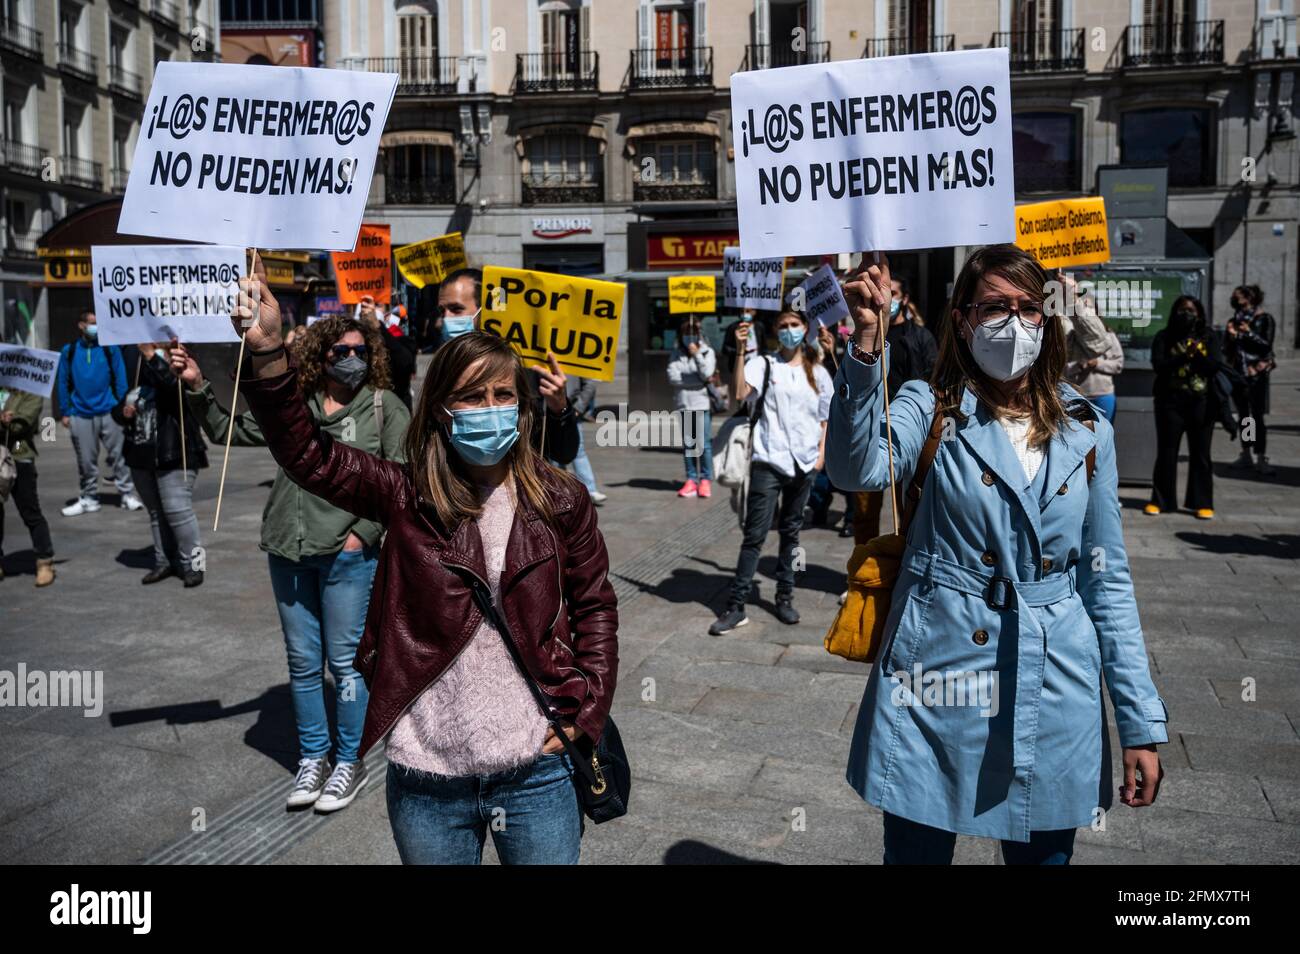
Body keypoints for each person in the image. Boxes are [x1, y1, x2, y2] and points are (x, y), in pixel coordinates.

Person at [226, 256, 618, 865]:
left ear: (519, 406)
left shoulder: (559, 497)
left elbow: (596, 607)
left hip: (536, 769)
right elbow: (307, 454)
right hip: (427, 774)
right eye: (471, 396)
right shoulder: (405, 493)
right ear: (440, 408)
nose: (489, 407)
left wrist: (583, 717)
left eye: (501, 395)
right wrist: (271, 354)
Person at [827, 246, 1166, 865]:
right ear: (962, 319)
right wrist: (866, 345)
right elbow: (859, 467)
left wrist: (1140, 722)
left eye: (1028, 308)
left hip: (1055, 680)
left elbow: (1107, 579)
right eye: (994, 307)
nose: (1013, 323)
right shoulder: (928, 404)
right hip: (936, 673)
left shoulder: (1088, 427)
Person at [173, 308, 410, 813]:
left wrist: (362, 535)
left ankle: (350, 760)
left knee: (345, 665)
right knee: (303, 665)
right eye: (340, 351)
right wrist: (195, 385)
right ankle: (313, 758)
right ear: (319, 357)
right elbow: (227, 430)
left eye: (360, 352)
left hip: (347, 555)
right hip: (287, 548)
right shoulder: (296, 405)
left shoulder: (384, 406)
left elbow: (401, 481)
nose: (351, 359)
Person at [709, 309, 832, 635]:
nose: (790, 330)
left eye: (795, 325)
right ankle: (736, 606)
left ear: (805, 329)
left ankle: (784, 596)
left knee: (792, 534)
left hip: (804, 463)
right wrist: (739, 351)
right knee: (755, 535)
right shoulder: (763, 364)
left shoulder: (817, 372)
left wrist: (820, 456)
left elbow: (825, 419)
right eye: (784, 326)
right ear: (776, 331)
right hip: (768, 459)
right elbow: (738, 394)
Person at [436, 266, 580, 465]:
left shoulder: (519, 367)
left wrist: (559, 408)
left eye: (456, 309)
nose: (446, 319)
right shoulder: (442, 366)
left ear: (484, 309)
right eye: (441, 310)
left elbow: (563, 452)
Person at [845, 275, 938, 544]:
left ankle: (902, 562)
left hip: (907, 434)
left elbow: (933, 379)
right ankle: (862, 570)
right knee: (864, 509)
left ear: (904, 299)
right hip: (872, 429)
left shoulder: (920, 337)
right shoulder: (867, 337)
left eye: (893, 294)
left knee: (909, 506)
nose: (887, 300)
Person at [111, 342, 207, 587]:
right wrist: (124, 412)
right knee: (155, 512)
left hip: (174, 450)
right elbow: (120, 404)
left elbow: (174, 390)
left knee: (178, 511)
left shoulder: (181, 358)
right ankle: (164, 561)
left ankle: (194, 565)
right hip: (140, 453)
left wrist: (152, 356)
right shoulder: (136, 365)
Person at [56, 311, 142, 515]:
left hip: (109, 411)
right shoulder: (69, 351)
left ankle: (127, 494)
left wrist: (122, 405)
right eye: (92, 323)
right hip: (81, 413)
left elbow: (120, 378)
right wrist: (65, 412)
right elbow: (62, 382)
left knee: (120, 457)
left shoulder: (109, 348)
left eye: (97, 323)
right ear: (81, 325)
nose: (95, 327)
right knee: (86, 461)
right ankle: (89, 497)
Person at [1146, 296, 1221, 519]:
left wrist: (1196, 354)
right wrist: (1183, 356)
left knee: (1201, 453)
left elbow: (1213, 366)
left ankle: (1202, 502)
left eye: (1191, 310)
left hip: (1202, 403)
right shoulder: (1164, 336)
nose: (1186, 314)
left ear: (1199, 313)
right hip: (1170, 402)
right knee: (1167, 452)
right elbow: (1159, 365)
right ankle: (1161, 500)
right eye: (1182, 310)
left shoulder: (1209, 337)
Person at [0, 384, 55, 586]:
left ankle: (44, 561)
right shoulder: (1, 391)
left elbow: (21, 426)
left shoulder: (31, 394)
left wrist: (8, 422)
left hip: (19, 453)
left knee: (29, 510)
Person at [1225, 284, 1276, 476]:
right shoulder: (1234, 320)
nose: (1234, 299)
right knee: (1245, 417)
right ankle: (1246, 453)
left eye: (1237, 296)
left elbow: (1265, 345)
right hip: (1239, 374)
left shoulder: (1264, 319)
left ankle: (1261, 455)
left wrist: (1247, 333)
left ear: (1249, 298)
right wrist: (1230, 337)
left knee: (1257, 417)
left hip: (1256, 374)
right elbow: (1228, 350)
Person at [666, 316, 717, 499]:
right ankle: (691, 479)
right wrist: (695, 379)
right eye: (687, 333)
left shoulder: (707, 352)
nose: (690, 336)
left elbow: (707, 374)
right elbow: (672, 377)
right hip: (683, 403)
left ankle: (705, 479)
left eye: (693, 333)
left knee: (703, 444)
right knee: (689, 445)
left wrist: (696, 355)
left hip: (701, 403)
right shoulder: (676, 353)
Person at [549, 374, 605, 504]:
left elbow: (590, 384)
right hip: (547, 413)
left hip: (571, 411)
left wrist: (577, 408)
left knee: (578, 450)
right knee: (553, 455)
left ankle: (589, 489)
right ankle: (559, 491)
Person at [1065, 322, 1124, 423]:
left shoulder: (1109, 336)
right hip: (1077, 396)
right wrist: (1078, 365)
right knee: (1079, 436)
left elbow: (1118, 364)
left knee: (1104, 435)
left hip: (1103, 396)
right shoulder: (1071, 337)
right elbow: (1062, 368)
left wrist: (1097, 363)